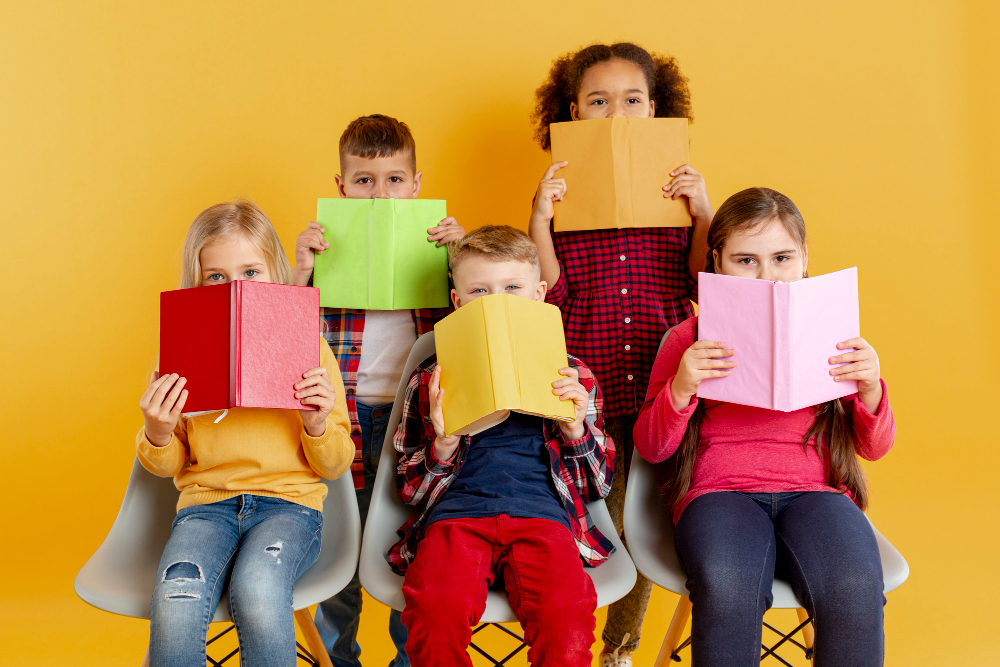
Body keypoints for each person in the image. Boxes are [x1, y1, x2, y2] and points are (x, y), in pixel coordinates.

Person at [634, 187, 894, 666]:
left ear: (804, 257)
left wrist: (871, 390)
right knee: (729, 587)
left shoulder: (831, 331)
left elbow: (873, 449)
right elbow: (652, 449)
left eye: (781, 258)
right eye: (745, 260)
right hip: (718, 494)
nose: (767, 275)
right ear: (716, 261)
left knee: (856, 587)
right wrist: (681, 387)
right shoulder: (687, 338)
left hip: (816, 493)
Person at [528, 41, 713, 665]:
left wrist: (702, 210)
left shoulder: (675, 198)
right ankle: (571, 640)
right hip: (590, 392)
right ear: (571, 113)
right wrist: (539, 219)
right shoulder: (563, 200)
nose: (615, 115)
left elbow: (701, 287)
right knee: (593, 525)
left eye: (631, 101)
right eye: (597, 102)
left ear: (656, 109)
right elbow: (546, 295)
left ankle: (620, 649)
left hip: (664, 394)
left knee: (642, 527)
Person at [138, 200, 354, 667]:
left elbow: (336, 464)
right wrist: (157, 431)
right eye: (216, 276)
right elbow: (170, 463)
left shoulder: (311, 348)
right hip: (205, 508)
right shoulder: (178, 351)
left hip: (290, 507)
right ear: (196, 284)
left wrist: (316, 422)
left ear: (275, 272)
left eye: (250, 271)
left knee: (258, 590)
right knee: (177, 596)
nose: (234, 286)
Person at [389, 225, 615, 667]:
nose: (497, 302)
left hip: (545, 520)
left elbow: (598, 486)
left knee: (567, 626)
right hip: (455, 521)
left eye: (512, 287)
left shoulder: (574, 376)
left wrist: (575, 429)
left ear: (540, 294)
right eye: (480, 291)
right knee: (433, 618)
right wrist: (444, 441)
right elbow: (408, 490)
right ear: (457, 302)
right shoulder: (432, 377)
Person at [291, 114, 465, 667]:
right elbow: (281, 346)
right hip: (341, 419)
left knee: (407, 549)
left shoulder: (441, 248)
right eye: (364, 181)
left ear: (416, 186)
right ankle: (336, 658)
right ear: (341, 187)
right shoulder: (322, 254)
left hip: (414, 424)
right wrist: (300, 274)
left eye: (394, 179)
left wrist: (461, 258)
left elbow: (472, 334)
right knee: (337, 547)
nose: (380, 191)